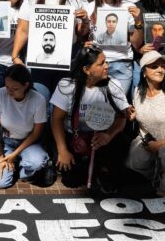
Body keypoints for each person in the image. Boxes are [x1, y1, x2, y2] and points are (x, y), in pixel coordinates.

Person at [11, 0, 92, 101]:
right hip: (39, 65)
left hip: (67, 63)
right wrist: (15, 55)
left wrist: (85, 21)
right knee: (41, 104)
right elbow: (23, 29)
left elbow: (80, 33)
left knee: (62, 106)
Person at [51, 46, 128, 191]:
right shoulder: (67, 85)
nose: (107, 66)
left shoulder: (113, 85)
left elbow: (122, 118)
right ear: (86, 70)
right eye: (101, 63)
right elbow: (56, 120)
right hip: (73, 138)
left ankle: (104, 170)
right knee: (71, 180)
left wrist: (108, 135)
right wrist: (62, 150)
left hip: (101, 139)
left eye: (106, 62)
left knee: (121, 143)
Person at [126, 51, 165, 197]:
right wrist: (133, 115)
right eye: (154, 66)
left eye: (162, 66)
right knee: (132, 163)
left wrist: (160, 145)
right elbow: (141, 115)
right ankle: (159, 173)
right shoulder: (137, 92)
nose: (160, 70)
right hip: (147, 141)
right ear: (144, 72)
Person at [0, 64, 50, 188]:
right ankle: (11, 165)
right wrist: (1, 157)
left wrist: (14, 155)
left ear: (26, 85)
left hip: (29, 142)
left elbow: (36, 133)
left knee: (36, 163)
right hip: (6, 141)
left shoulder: (38, 99)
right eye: (7, 86)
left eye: (15, 88)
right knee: (0, 183)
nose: (9, 91)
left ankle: (20, 167)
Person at [90, 0, 143, 94]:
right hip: (97, 64)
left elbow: (136, 43)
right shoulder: (90, 7)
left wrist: (138, 22)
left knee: (118, 104)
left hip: (122, 65)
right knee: (98, 104)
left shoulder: (129, 7)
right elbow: (83, 36)